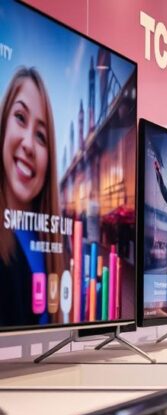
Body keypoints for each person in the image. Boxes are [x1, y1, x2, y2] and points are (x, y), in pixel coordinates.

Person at [1, 68, 65, 327]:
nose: (28, 143)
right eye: (20, 117)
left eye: (41, 135)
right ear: (3, 122)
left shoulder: (51, 246)